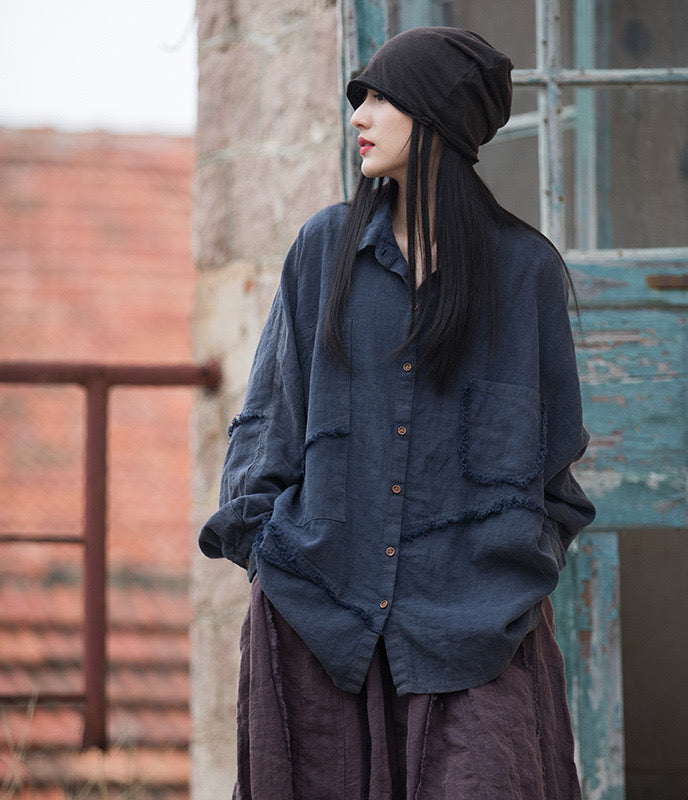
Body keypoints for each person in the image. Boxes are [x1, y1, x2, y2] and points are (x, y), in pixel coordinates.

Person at [199, 26, 595, 800]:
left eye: (382, 98)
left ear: (438, 117)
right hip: (318, 628)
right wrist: (269, 558)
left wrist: (508, 583)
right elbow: (268, 428)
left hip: (475, 638)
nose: (359, 115)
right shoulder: (324, 252)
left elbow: (555, 480)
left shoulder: (525, 274)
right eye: (362, 99)